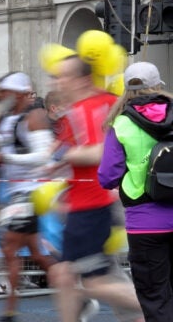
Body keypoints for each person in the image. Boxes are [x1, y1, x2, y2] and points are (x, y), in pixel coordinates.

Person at [48, 55, 143, 322]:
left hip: (91, 205)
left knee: (94, 283)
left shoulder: (87, 108)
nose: (59, 82)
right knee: (64, 275)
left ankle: (155, 307)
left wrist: (64, 156)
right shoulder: (105, 102)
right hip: (89, 203)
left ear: (83, 79)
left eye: (64, 76)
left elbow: (101, 152)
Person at [0, 72, 56, 321]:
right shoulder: (10, 119)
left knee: (9, 247)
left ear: (17, 93)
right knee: (35, 254)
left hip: (30, 193)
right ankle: (75, 287)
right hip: (15, 193)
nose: (0, 96)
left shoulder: (35, 117)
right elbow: (2, 141)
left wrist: (4, 158)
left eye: (5, 92)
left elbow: (43, 156)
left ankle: (11, 309)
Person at [99, 61, 173, 321]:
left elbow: (107, 176)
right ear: (159, 86)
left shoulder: (121, 124)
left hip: (145, 222)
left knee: (155, 297)